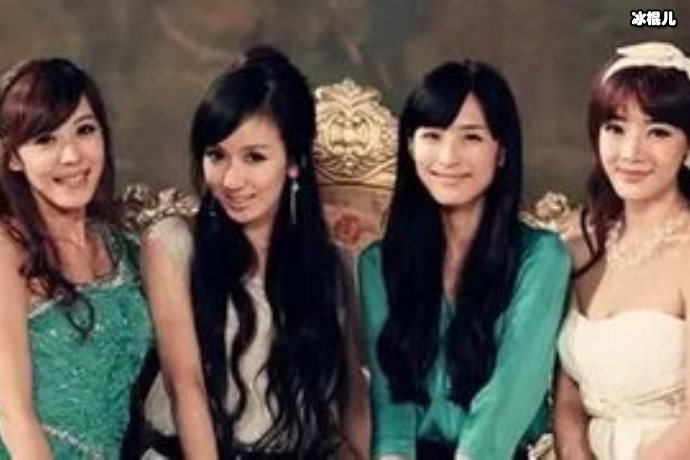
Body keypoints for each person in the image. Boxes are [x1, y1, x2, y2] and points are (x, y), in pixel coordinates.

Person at [142, 46, 368, 459]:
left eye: (255, 158)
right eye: (216, 156)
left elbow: (352, 404)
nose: (231, 179)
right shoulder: (174, 244)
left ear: (294, 162)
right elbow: (185, 385)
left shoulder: (334, 267)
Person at [359, 60, 571, 460]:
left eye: (471, 137)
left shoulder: (542, 258)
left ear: (501, 151)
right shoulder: (377, 264)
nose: (448, 157)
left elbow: (511, 391)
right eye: (432, 135)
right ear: (410, 145)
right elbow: (391, 411)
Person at [0, 58, 152, 459]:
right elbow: (13, 415)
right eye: (45, 139)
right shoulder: (5, 249)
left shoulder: (121, 245)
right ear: (14, 157)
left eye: (84, 130)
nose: (71, 156)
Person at [555, 42, 690, 460]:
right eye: (615, 128)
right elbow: (568, 395)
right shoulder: (577, 245)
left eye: (658, 132)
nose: (630, 152)